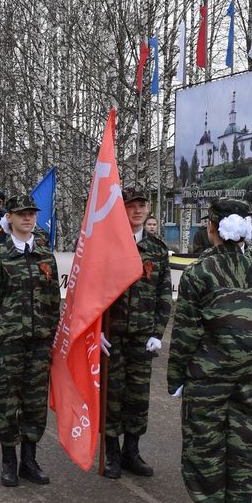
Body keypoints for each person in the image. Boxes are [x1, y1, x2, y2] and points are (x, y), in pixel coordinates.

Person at [167, 198, 252, 503]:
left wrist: (177, 378)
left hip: (208, 376)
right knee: (242, 445)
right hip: (250, 377)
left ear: (212, 227)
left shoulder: (199, 272)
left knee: (206, 445)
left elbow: (186, 332)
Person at [0, 195, 61, 487]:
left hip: (39, 343)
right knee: (6, 403)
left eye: (31, 214)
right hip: (9, 343)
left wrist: (54, 338)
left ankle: (29, 459)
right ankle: (8, 461)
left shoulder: (44, 255)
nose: (28, 218)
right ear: (9, 218)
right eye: (21, 214)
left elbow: (53, 302)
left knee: (35, 403)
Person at [100, 188, 172, 479]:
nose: (137, 211)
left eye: (142, 206)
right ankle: (111, 453)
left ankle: (132, 451)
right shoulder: (107, 245)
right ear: (123, 210)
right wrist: (96, 330)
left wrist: (158, 331)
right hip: (112, 334)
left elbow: (164, 293)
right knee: (112, 394)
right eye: (131, 206)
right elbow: (93, 291)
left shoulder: (156, 248)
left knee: (138, 396)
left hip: (142, 336)